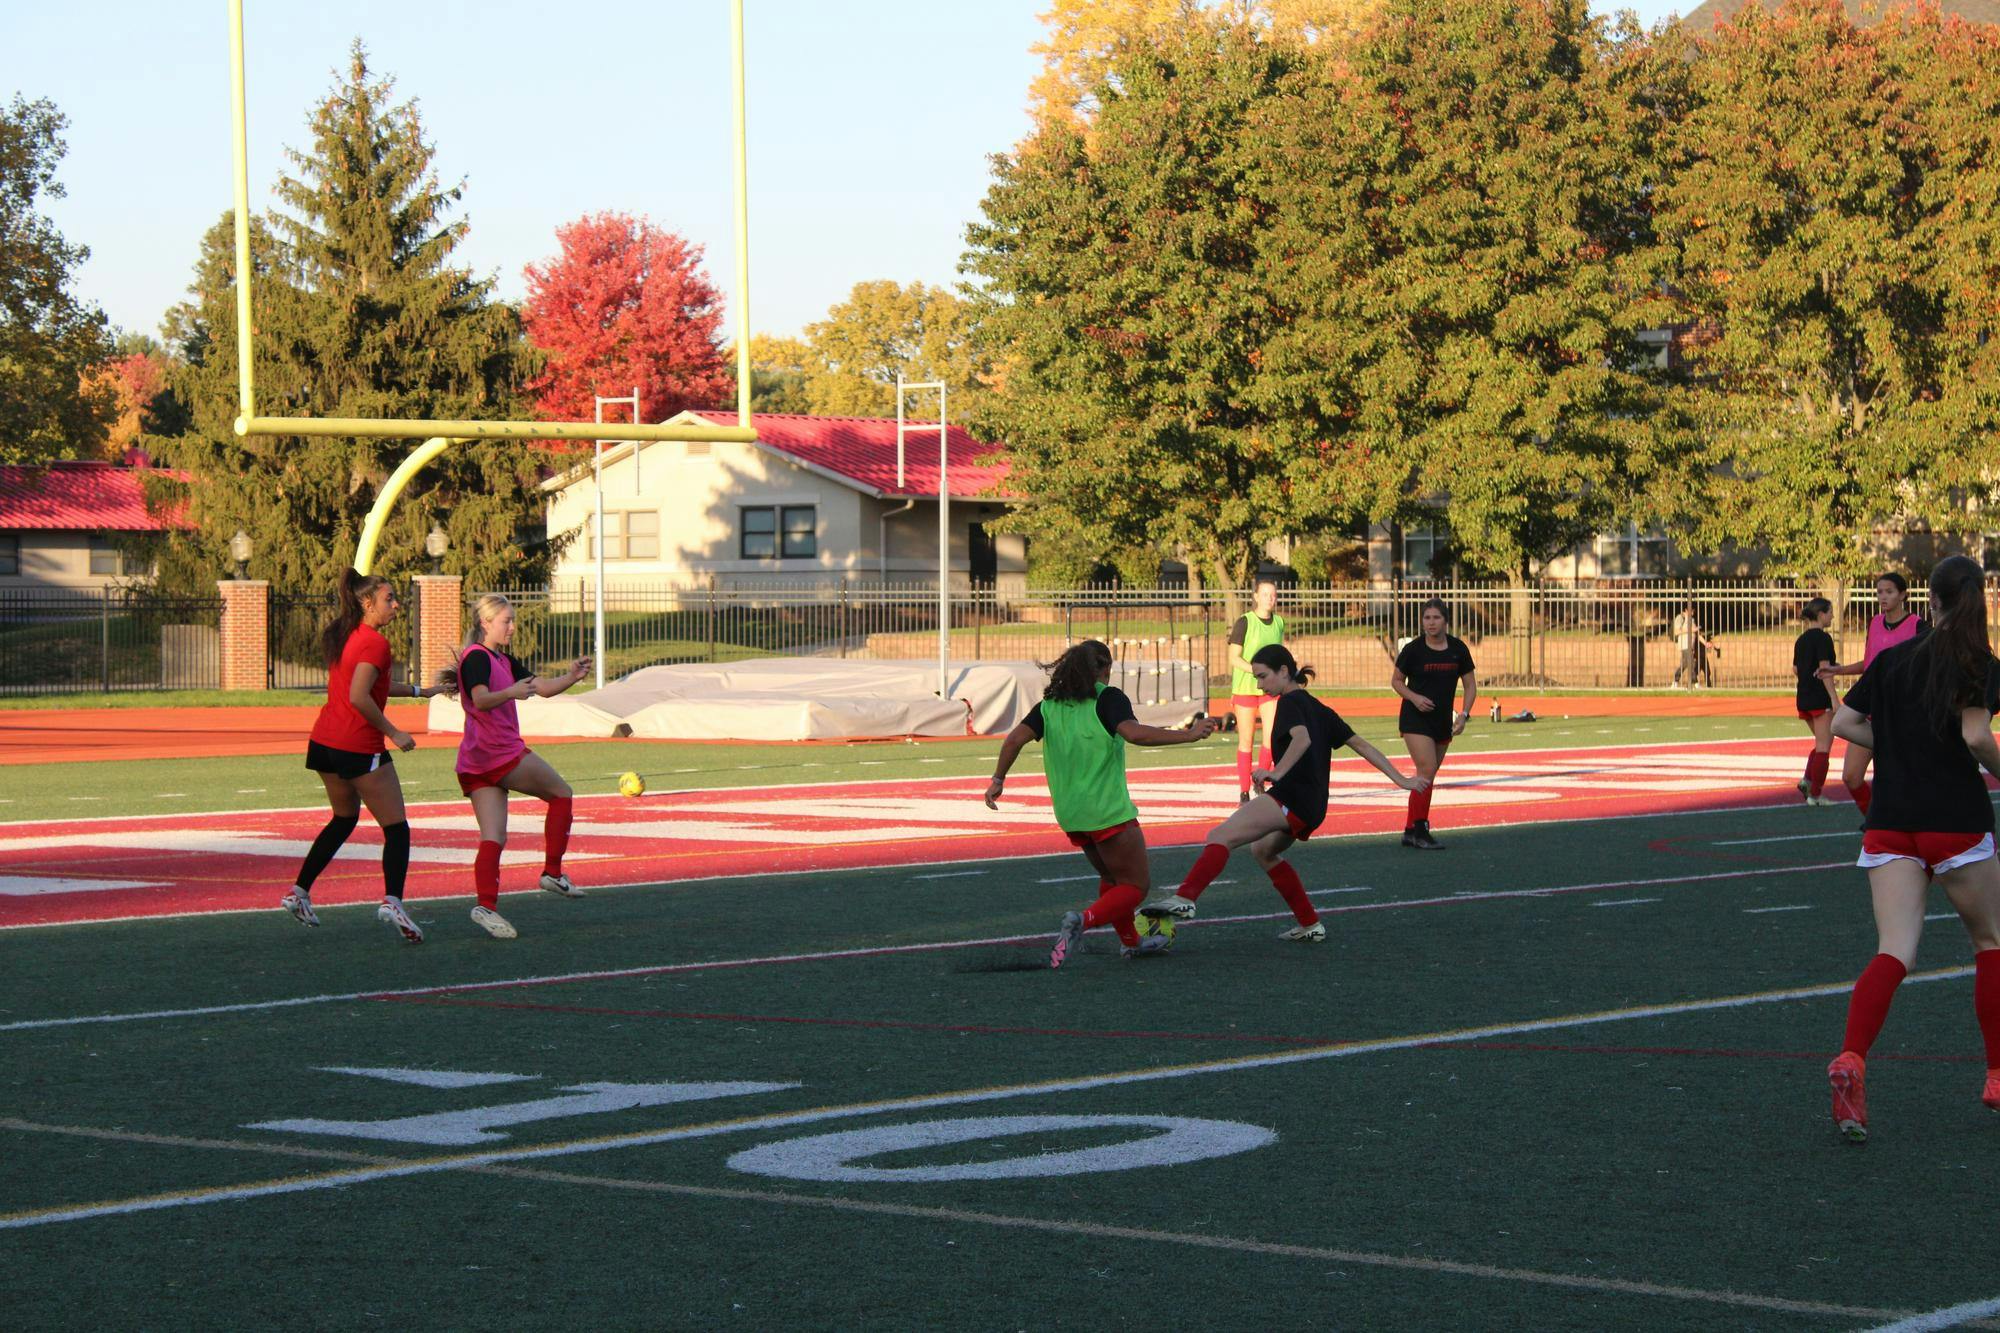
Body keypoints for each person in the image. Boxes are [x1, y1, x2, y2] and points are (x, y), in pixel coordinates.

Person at [1824, 555, 2000, 1143]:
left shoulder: (1895, 658)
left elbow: (1846, 722)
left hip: (1891, 820)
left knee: (1894, 950)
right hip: (1955, 819)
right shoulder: (1977, 662)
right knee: (1990, 942)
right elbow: (1976, 736)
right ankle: (1997, 1075)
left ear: (1931, 602)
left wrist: (1897, 749)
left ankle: (1852, 1057)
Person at [1140, 644, 1426, 938]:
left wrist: (1275, 773)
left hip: (1293, 798)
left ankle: (1185, 898)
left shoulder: (1289, 704)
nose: (1259, 684)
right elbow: (1363, 746)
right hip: (1314, 807)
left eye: (1263, 677)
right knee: (1263, 851)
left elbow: (1300, 740)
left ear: (1284, 671)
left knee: (1220, 836)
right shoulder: (1320, 708)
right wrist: (1402, 780)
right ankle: (1311, 924)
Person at [985, 640, 1215, 967]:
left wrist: (998, 779)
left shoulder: (1049, 706)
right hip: (1107, 811)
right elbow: (1135, 733)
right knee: (1135, 885)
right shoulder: (1107, 698)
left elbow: (1013, 739)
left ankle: (1132, 942)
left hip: (1072, 814)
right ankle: (1083, 921)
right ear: (1104, 668)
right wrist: (1187, 736)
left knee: (1112, 877)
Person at [281, 569, 439, 944]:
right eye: (389, 598)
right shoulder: (374, 643)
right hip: (357, 745)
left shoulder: (343, 632)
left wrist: (422, 690)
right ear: (367, 603)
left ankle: (299, 892)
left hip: (324, 742)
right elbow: (359, 696)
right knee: (397, 827)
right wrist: (394, 732)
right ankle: (393, 901)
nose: (396, 604)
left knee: (343, 819)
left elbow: (374, 685)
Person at [435, 594, 592, 940]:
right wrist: (511, 694)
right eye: (506, 620)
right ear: (485, 623)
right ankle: (552, 872)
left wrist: (572, 676)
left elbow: (544, 689)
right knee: (561, 794)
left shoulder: (502, 658)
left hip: (475, 761)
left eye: (512, 620)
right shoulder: (477, 658)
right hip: (499, 753)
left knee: (494, 837)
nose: (512, 626)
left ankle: (485, 907)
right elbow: (480, 699)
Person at [1820, 572, 1929, 820]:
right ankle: (1876, 820)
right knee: (1851, 776)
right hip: (1870, 711)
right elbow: (1871, 664)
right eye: (1879, 592)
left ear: (1902, 595)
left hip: (1901, 714)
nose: (1883, 597)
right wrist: (1841, 670)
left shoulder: (1918, 626)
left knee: (1895, 777)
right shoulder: (1875, 623)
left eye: (1889, 591)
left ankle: (1893, 825)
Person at [1391, 597, 1477, 850]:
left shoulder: (1458, 649)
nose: (1430, 623)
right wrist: (1415, 698)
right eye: (1426, 618)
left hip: (1442, 721)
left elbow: (1470, 685)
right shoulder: (1413, 650)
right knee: (1427, 770)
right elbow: (1396, 681)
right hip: (1414, 719)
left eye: (1436, 618)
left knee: (1426, 776)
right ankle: (1421, 829)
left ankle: (1409, 830)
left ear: (1445, 621)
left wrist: (1464, 714)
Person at [1226, 579, 1285, 804]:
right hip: (1245, 688)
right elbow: (1233, 657)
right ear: (1256, 597)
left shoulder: (1279, 622)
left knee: (1271, 736)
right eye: (1266, 594)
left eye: (1273, 595)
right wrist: (1256, 671)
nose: (1270, 598)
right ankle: (1243, 791)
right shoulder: (1245, 622)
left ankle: (1260, 780)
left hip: (1270, 689)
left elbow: (1279, 652)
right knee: (1246, 740)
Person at [1793, 598, 1838, 805]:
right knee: (1824, 747)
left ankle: (1808, 780)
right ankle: (1816, 794)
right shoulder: (1823, 638)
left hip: (1803, 696)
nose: (1832, 616)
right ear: (1821, 615)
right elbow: (1824, 669)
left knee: (1822, 742)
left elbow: (1795, 669)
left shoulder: (1801, 640)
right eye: (1830, 612)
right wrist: (1834, 699)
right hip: (1820, 697)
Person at [1671, 602, 1717, 689]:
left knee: (1685, 664)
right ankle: (1695, 683)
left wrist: (1705, 643)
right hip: (1684, 645)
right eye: (1691, 611)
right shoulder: (1680, 618)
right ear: (1685, 610)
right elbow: (1676, 632)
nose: (1693, 613)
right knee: (1691, 664)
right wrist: (1691, 629)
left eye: (1693, 611)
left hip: (1690, 646)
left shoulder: (1691, 620)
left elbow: (1697, 634)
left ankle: (1675, 681)